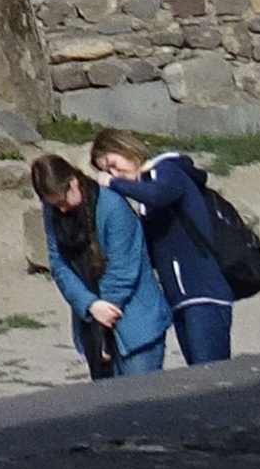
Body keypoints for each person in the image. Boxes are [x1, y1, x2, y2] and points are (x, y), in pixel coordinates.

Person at [94, 132, 238, 368]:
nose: (114, 173)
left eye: (113, 164)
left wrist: (113, 184)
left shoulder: (166, 169)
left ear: (126, 149)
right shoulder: (145, 191)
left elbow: (159, 195)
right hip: (180, 299)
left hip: (203, 294)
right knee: (199, 375)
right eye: (107, 171)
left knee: (211, 375)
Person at [30, 148, 170, 381]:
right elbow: (59, 264)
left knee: (141, 397)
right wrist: (89, 305)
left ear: (73, 182)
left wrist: (104, 313)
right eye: (54, 204)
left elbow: (123, 269)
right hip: (92, 322)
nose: (62, 209)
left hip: (135, 325)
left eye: (63, 201)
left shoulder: (113, 207)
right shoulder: (52, 211)